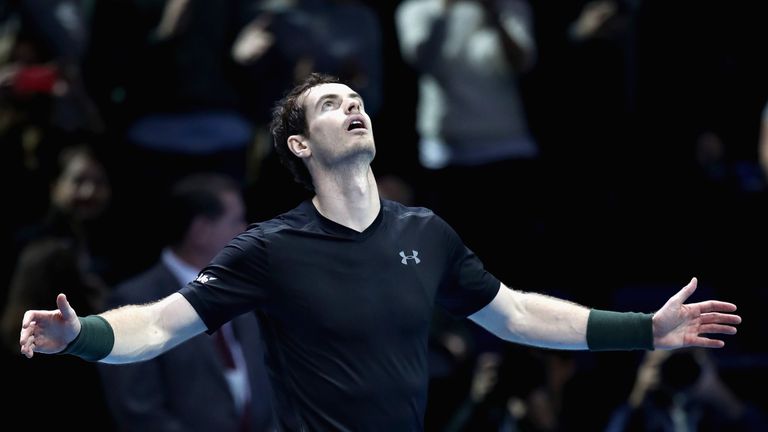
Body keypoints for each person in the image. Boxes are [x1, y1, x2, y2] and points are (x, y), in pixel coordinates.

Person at [19, 73, 741, 432]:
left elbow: (515, 314)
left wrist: (644, 328)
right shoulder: (269, 249)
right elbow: (158, 326)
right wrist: (80, 337)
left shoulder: (425, 232)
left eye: (356, 97)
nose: (352, 105)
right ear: (300, 145)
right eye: (331, 103)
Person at [97, 173, 274, 432]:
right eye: (235, 221)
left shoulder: (247, 292)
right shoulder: (133, 301)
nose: (245, 230)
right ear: (201, 231)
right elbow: (138, 409)